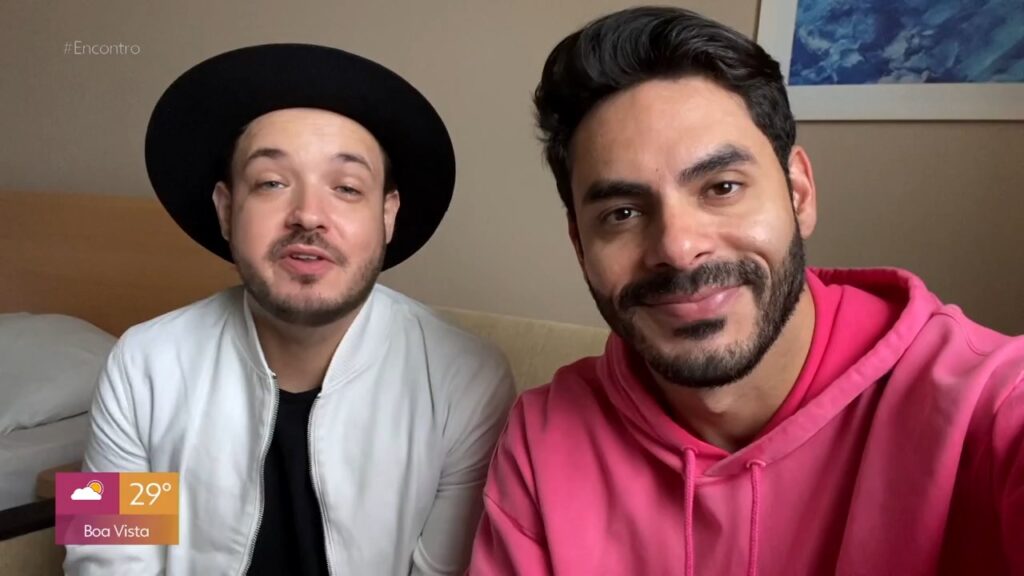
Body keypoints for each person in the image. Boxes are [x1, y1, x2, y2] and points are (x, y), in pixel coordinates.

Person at [469, 7, 1024, 575]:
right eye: (623, 212)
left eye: (722, 187)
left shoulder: (991, 400)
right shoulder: (543, 438)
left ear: (799, 194)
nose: (678, 248)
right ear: (580, 246)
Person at [64, 43, 515, 576]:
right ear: (226, 210)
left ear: (387, 215)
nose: (307, 215)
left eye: (346, 188)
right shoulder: (142, 363)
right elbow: (106, 560)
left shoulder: (466, 380)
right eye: (271, 183)